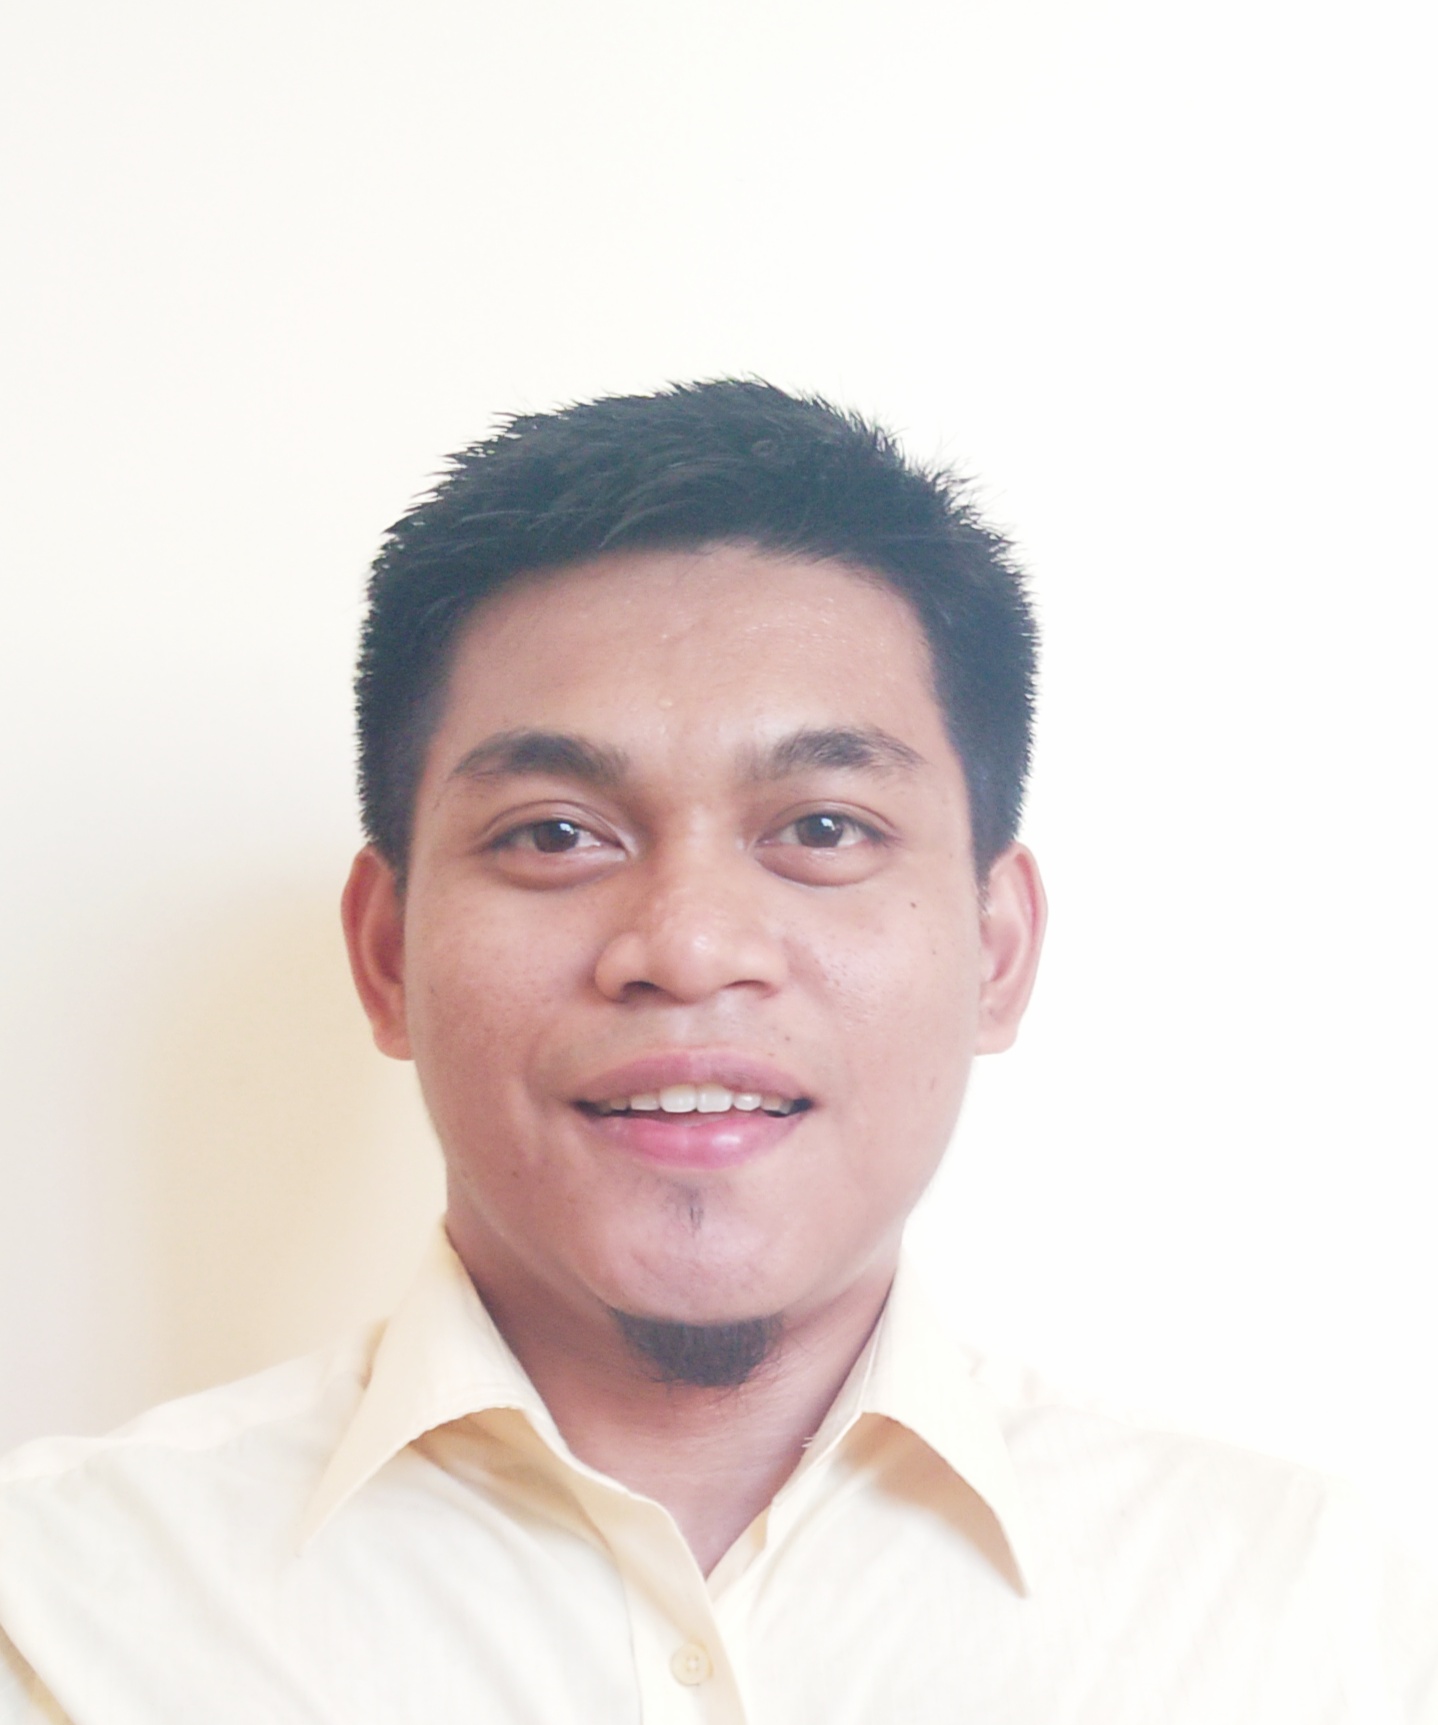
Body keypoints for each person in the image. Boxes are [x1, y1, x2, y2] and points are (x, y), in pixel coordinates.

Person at [0, 380, 1433, 1722]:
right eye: (555, 833)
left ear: (996, 951)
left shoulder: (1310, 1617)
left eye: (823, 828)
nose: (686, 947)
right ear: (385, 954)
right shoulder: (55, 1610)